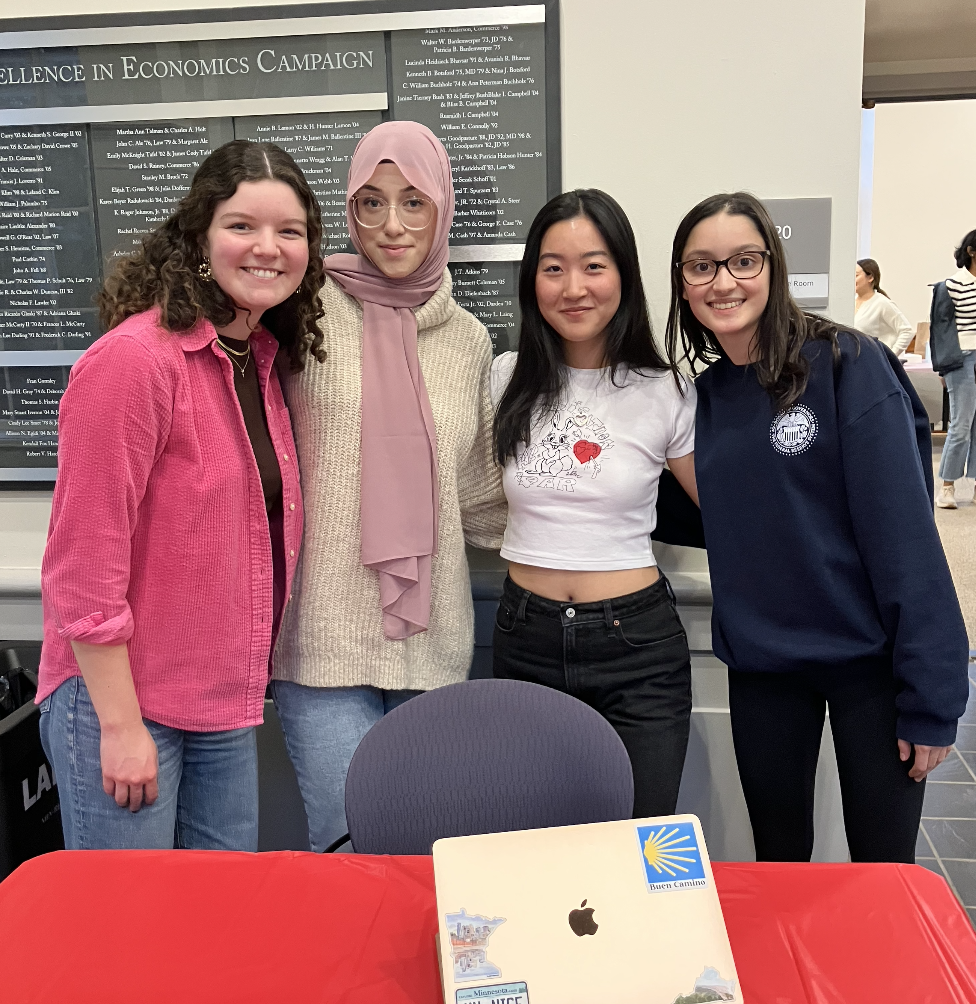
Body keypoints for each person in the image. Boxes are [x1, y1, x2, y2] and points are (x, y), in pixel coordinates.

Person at [37, 140, 326, 850]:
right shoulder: (135, 363)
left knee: (219, 908)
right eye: (242, 226)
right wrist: (119, 725)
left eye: (289, 231)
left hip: (220, 703)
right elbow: (84, 565)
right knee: (129, 916)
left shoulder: (260, 360)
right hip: (123, 705)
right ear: (199, 238)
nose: (268, 248)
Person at [665, 191, 969, 863]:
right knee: (779, 864)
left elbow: (905, 540)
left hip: (870, 667)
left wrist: (932, 696)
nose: (723, 281)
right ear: (682, 284)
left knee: (882, 870)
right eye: (701, 266)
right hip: (765, 668)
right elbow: (717, 515)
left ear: (773, 266)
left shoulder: (845, 363)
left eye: (744, 260)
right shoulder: (703, 400)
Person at [270, 122, 505, 853]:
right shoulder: (299, 310)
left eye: (413, 202)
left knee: (427, 859)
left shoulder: (468, 339)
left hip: (434, 643)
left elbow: (478, 495)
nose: (392, 225)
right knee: (348, 851)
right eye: (370, 203)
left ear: (442, 210)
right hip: (321, 640)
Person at [490, 189, 698, 817]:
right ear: (532, 281)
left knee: (645, 845)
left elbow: (730, 512)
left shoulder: (668, 390)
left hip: (637, 647)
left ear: (624, 275)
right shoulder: (503, 378)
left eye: (594, 266)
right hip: (525, 638)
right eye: (553, 268)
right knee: (534, 844)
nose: (573, 287)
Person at [936, 228, 976, 510]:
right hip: (964, 359)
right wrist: (944, 368)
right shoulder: (952, 285)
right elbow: (941, 329)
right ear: (971, 251)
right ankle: (947, 486)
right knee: (961, 425)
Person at [854, 258, 913, 354]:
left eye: (856, 275)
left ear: (870, 278)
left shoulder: (881, 303)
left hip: (874, 359)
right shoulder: (851, 303)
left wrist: (892, 355)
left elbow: (907, 331)